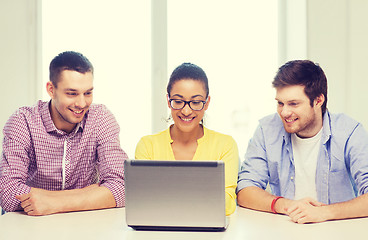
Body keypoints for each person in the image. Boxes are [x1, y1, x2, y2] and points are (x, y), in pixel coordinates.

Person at [237, 60, 368, 224]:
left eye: (294, 104)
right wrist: (287, 206)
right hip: (284, 229)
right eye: (280, 103)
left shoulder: (350, 132)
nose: (284, 112)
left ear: (318, 101)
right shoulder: (266, 130)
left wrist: (322, 213)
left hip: (337, 230)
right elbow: (245, 190)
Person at [0, 51, 127, 216]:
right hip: (32, 224)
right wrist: (91, 193)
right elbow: (8, 193)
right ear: (51, 90)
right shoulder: (23, 121)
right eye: (72, 93)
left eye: (88, 93)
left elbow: (122, 187)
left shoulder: (101, 118)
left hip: (86, 222)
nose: (81, 103)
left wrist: (52, 202)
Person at [135, 63, 239, 215]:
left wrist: (167, 199)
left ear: (207, 103)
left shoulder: (225, 145)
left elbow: (227, 203)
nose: (186, 110)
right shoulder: (147, 146)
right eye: (178, 101)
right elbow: (143, 201)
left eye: (196, 102)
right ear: (168, 100)